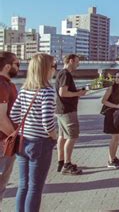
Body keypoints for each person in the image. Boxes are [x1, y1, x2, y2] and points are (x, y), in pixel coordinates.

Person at [10, 53, 58, 212]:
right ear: (46, 70)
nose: (55, 70)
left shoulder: (24, 90)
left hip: (23, 141)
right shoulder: (48, 92)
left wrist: (28, 124)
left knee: (23, 185)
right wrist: (54, 136)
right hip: (40, 143)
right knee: (35, 187)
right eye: (53, 66)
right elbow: (47, 121)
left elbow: (14, 115)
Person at [55, 54, 87, 175]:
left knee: (62, 136)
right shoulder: (66, 74)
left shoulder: (61, 73)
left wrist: (76, 91)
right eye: (77, 62)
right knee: (72, 136)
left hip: (61, 110)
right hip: (68, 110)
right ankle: (67, 164)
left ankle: (61, 162)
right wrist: (78, 94)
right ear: (71, 61)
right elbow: (63, 92)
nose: (78, 65)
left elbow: (64, 91)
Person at [0, 52, 20, 208]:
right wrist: (17, 138)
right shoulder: (2, 85)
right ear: (7, 66)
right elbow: (1, 119)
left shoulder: (7, 84)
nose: (19, 67)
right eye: (17, 64)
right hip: (3, 142)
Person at [101, 71, 119, 168]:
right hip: (111, 114)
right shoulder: (112, 87)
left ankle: (113, 157)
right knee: (115, 137)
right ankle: (110, 160)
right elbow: (103, 101)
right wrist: (117, 105)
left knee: (118, 137)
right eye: (115, 77)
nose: (116, 79)